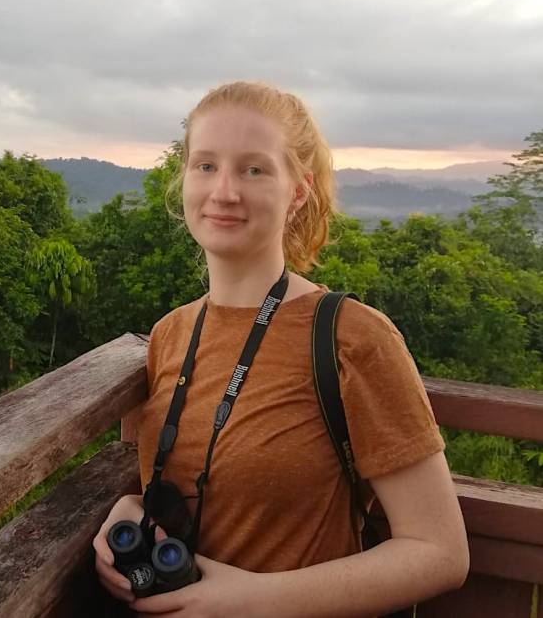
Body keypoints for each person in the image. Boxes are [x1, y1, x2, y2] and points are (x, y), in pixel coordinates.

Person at [92, 82, 469, 617]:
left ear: (298, 191)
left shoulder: (351, 336)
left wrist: (253, 601)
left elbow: (440, 553)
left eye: (254, 169)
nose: (223, 191)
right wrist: (136, 510)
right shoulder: (171, 333)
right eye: (205, 166)